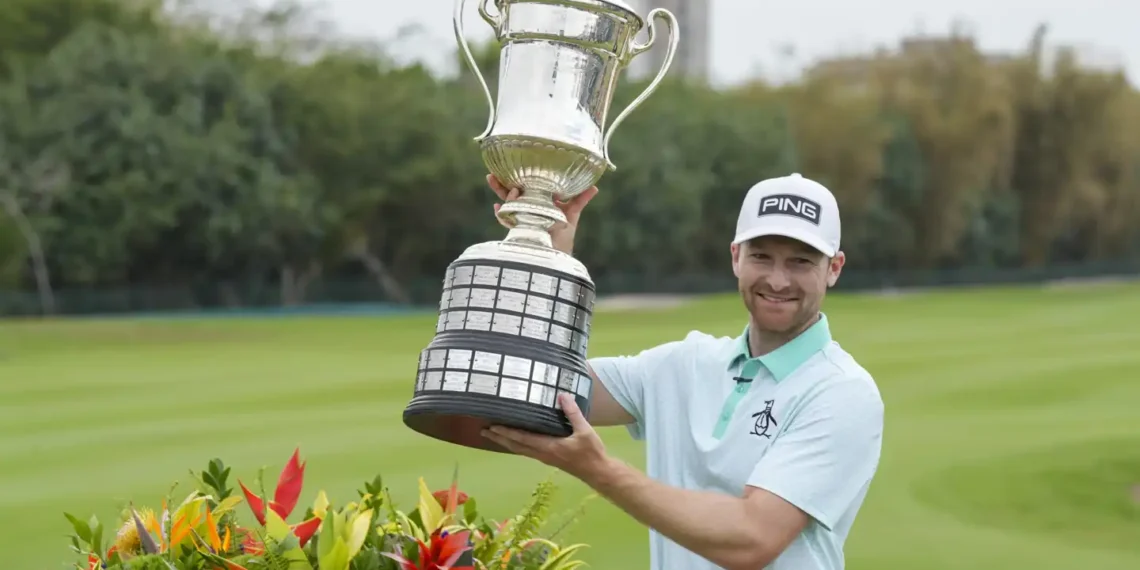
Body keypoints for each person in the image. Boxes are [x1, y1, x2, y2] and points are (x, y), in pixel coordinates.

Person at [481, 173, 885, 570]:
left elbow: (752, 539)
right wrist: (544, 252)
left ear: (834, 268)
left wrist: (598, 469)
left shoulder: (843, 393)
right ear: (736, 257)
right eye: (761, 256)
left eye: (801, 262)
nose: (778, 280)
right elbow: (534, 384)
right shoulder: (683, 364)